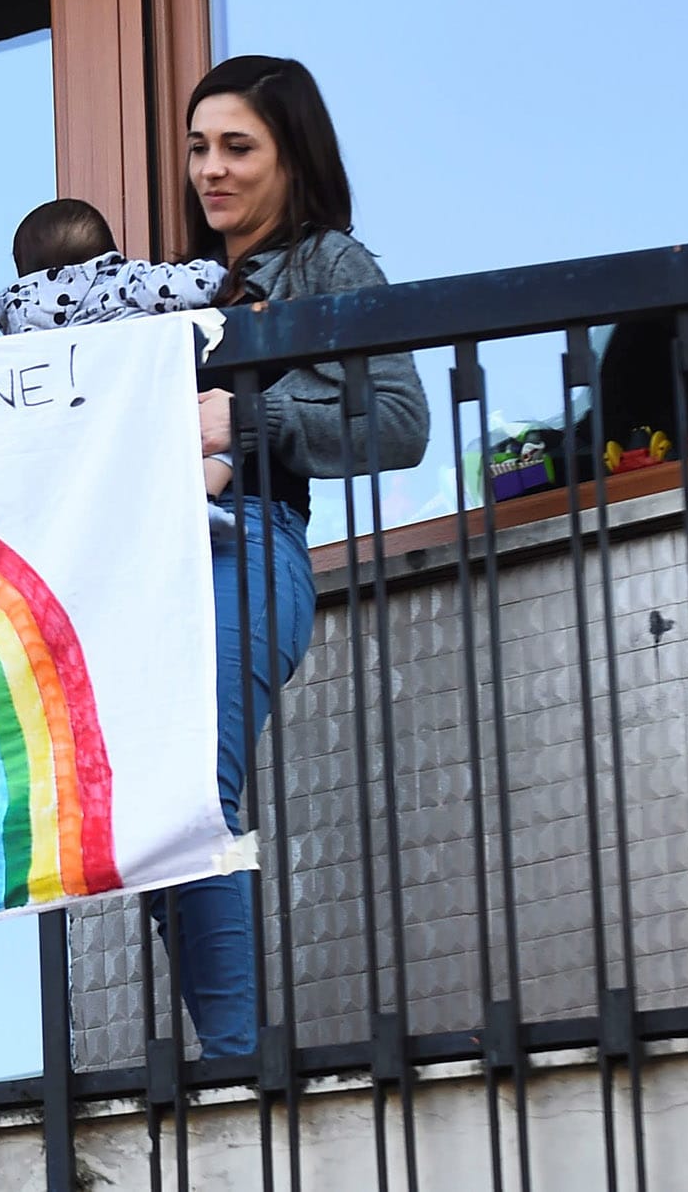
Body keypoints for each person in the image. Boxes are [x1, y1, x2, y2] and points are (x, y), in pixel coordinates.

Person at [163, 55, 429, 1058]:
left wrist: (246, 414)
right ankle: (227, 1049)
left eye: (238, 147)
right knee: (155, 802)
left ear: (292, 157)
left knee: (195, 786)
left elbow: (399, 422)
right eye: (197, 147)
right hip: (169, 557)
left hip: (255, 549)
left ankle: (235, 1064)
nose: (210, 170)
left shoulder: (328, 262)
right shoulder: (188, 283)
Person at [0, 197, 239, 525]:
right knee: (225, 433)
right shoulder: (122, 281)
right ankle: (200, 499)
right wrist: (224, 272)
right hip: (143, 404)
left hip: (86, 432)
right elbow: (190, 287)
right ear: (107, 252)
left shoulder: (21, 320)